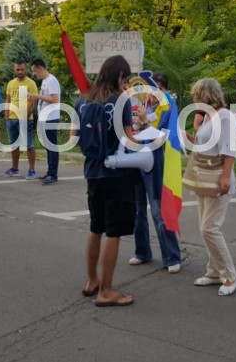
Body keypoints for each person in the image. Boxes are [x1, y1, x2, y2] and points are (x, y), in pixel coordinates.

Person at [74, 55, 140, 307]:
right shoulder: (119, 101)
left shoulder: (84, 97)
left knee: (96, 227)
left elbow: (76, 134)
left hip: (92, 171)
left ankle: (92, 281)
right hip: (116, 173)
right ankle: (107, 290)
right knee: (114, 232)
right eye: (125, 77)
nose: (125, 83)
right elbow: (129, 138)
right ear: (119, 75)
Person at [187, 78, 236, 296]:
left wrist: (226, 177)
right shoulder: (209, 118)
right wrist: (184, 137)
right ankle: (213, 271)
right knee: (205, 226)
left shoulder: (225, 116)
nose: (195, 101)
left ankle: (230, 276)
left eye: (197, 97)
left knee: (209, 228)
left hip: (217, 178)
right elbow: (202, 146)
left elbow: (229, 148)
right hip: (204, 177)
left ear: (206, 96)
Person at [129, 72, 183, 273]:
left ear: (164, 90)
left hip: (156, 159)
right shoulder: (141, 105)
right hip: (136, 157)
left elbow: (163, 136)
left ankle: (172, 256)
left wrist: (143, 122)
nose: (153, 94)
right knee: (137, 208)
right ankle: (142, 251)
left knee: (157, 208)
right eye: (151, 89)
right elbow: (131, 129)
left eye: (158, 89)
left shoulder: (168, 107)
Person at [3, 61, 38, 179]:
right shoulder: (11, 83)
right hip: (12, 118)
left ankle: (32, 170)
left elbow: (33, 102)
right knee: (14, 145)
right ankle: (14, 168)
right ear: (15, 70)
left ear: (25, 69)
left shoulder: (31, 83)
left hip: (25, 119)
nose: (20, 72)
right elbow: (8, 99)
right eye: (17, 69)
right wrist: (7, 115)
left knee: (29, 145)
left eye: (22, 69)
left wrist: (26, 116)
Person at [28, 59, 61, 185]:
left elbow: (54, 99)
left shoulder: (51, 80)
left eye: (35, 71)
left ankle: (53, 174)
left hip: (51, 117)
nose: (35, 74)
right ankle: (50, 172)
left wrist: (37, 96)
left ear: (41, 68)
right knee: (47, 146)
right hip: (44, 116)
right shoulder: (45, 81)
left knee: (51, 146)